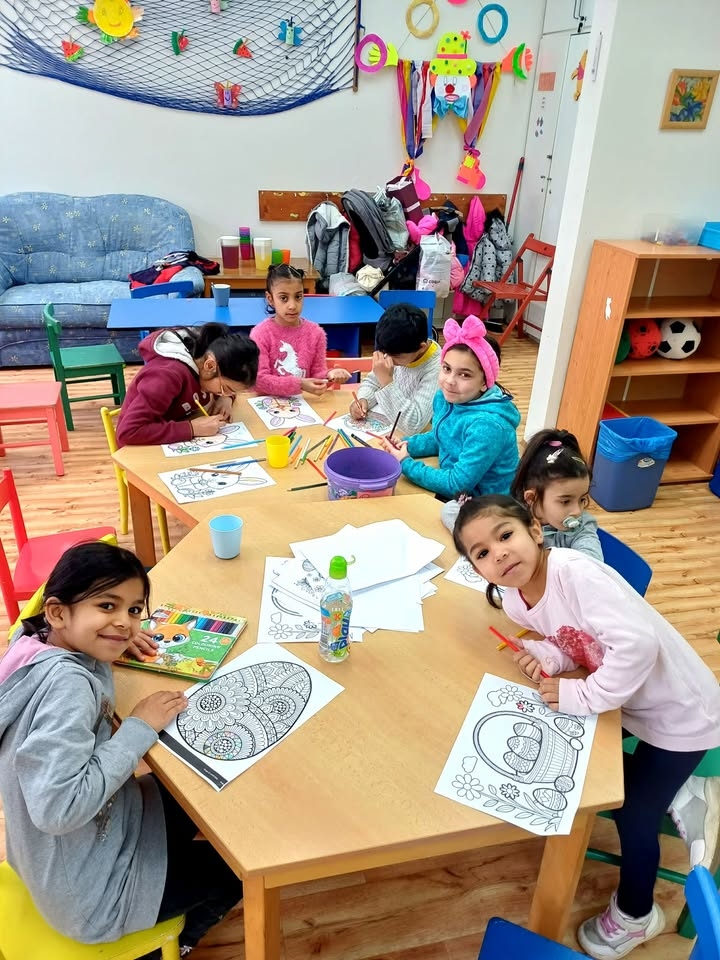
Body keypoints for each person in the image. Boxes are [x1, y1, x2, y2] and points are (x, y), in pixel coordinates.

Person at [452, 494, 720, 960]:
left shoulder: (574, 574)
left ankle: (638, 914)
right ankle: (674, 784)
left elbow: (637, 647)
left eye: (505, 535)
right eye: (482, 553)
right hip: (632, 704)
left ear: (536, 530)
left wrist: (581, 695)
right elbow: (575, 637)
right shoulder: (516, 600)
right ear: (477, 570)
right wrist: (549, 655)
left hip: (681, 714)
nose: (499, 553)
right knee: (586, 764)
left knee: (631, 809)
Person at [0, 542, 243, 956]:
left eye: (133, 610)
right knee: (232, 873)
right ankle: (172, 947)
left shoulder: (30, 644)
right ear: (58, 613)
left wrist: (110, 641)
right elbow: (58, 809)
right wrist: (139, 727)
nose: (125, 623)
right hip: (90, 899)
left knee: (191, 792)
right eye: (107, 606)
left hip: (57, 859)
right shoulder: (68, 688)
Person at [381, 316, 520, 522]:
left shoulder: (487, 426)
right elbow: (442, 436)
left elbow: (457, 484)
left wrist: (406, 463)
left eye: (465, 375)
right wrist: (408, 445)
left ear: (485, 382)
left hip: (488, 508)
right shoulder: (446, 398)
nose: (450, 381)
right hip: (456, 489)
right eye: (446, 369)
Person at [116, 322, 259, 446]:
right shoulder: (166, 377)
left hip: (171, 438)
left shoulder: (203, 356)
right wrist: (191, 428)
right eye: (226, 389)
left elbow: (224, 381)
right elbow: (128, 432)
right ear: (210, 366)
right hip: (140, 449)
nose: (226, 393)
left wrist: (225, 398)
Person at [250, 263, 350, 397]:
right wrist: (300, 384)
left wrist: (330, 375)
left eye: (298, 297)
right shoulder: (260, 334)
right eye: (284, 298)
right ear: (270, 299)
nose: (292, 306)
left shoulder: (316, 333)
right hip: (267, 403)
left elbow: (317, 375)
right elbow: (259, 380)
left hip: (303, 404)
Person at [510, 428, 602, 561]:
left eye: (582, 499)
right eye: (565, 501)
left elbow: (591, 562)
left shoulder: (582, 525)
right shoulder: (509, 523)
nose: (577, 511)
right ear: (531, 498)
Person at [349, 302, 440, 436]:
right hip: (390, 431)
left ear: (421, 347)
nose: (389, 360)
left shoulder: (437, 367)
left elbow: (414, 425)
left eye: (396, 356)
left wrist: (387, 382)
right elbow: (373, 382)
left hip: (418, 438)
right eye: (384, 352)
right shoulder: (396, 350)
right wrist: (363, 399)